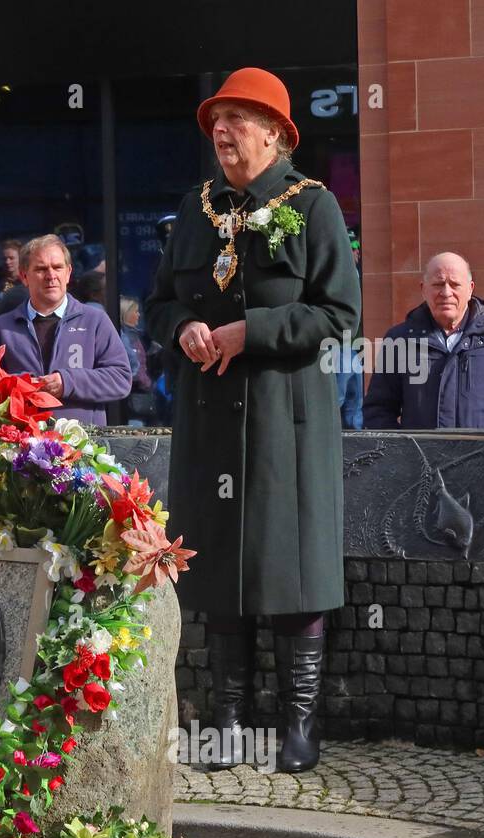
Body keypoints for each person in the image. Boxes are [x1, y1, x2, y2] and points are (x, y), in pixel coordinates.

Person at [145, 67, 362, 774]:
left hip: (284, 425)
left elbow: (339, 317)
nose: (223, 129)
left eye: (238, 118)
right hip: (209, 424)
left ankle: (300, 723)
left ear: (275, 132)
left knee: (289, 569)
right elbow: (157, 304)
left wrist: (250, 331)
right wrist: (182, 329)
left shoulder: (315, 205)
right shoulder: (195, 206)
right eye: (216, 119)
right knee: (218, 574)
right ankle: (228, 721)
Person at [363, 252, 484, 431]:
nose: (446, 292)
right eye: (438, 284)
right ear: (423, 289)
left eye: (455, 284)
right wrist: (403, 454)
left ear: (470, 289)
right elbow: (378, 409)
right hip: (421, 460)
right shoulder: (399, 340)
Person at [0, 234, 132, 426]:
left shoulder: (95, 321)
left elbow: (121, 379)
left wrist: (67, 382)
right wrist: (19, 384)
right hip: (20, 447)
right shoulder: (4, 326)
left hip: (84, 448)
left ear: (68, 273)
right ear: (24, 276)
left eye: (57, 267)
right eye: (41, 269)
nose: (51, 276)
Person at [336, 229, 364, 429]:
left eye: (358, 246)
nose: (357, 251)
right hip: (334, 347)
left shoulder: (354, 272)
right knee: (337, 403)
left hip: (350, 348)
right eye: (352, 246)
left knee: (354, 411)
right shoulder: (336, 272)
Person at [119, 296, 157, 426]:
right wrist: (144, 382)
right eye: (135, 311)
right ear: (126, 314)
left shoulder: (139, 335)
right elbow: (133, 366)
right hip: (133, 396)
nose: (138, 315)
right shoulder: (124, 336)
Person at [0, 238, 26, 317]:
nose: (7, 262)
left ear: (20, 258)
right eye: (4, 258)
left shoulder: (28, 281)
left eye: (11, 258)